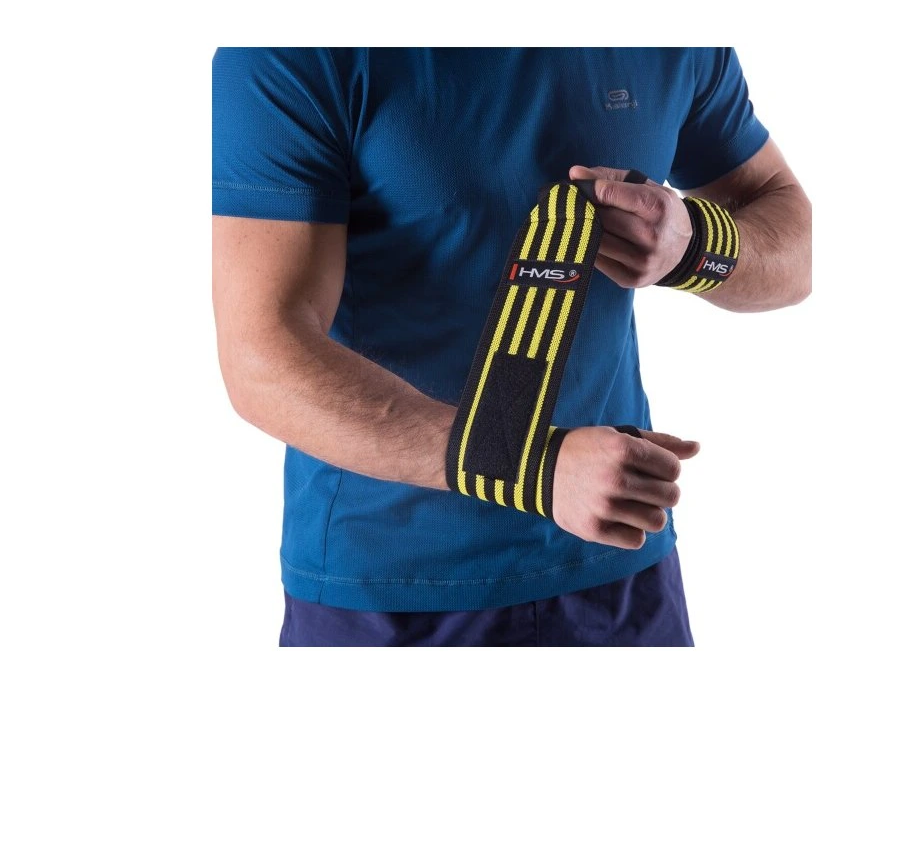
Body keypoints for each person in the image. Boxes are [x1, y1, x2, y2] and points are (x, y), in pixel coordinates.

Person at [212, 48, 811, 647]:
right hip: (394, 587)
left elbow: (802, 250)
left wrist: (697, 245)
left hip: (618, 550)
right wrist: (532, 466)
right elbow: (260, 355)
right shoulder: (297, 49)